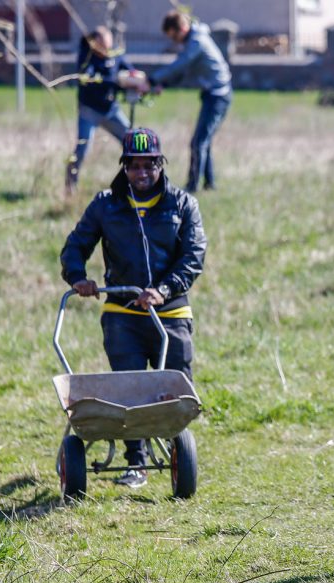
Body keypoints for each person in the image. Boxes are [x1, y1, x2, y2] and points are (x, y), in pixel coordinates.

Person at [60, 127, 207, 488]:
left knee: (173, 388)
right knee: (129, 389)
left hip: (170, 313)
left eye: (150, 165)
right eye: (134, 166)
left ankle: (177, 451)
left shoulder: (182, 204)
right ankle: (136, 463)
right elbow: (74, 247)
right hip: (122, 313)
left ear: (161, 164)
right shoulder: (105, 205)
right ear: (124, 167)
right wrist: (79, 277)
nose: (142, 173)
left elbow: (193, 255)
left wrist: (163, 289)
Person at [148, 10, 232, 194]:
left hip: (219, 95)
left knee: (198, 142)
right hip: (211, 94)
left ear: (183, 28)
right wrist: (165, 82)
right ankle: (210, 184)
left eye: (175, 36)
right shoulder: (193, 39)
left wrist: (153, 79)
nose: (175, 41)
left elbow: (181, 64)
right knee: (204, 141)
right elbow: (184, 72)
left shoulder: (197, 41)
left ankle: (192, 186)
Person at [65, 26, 137, 194]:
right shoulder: (87, 57)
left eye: (108, 46)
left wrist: (138, 81)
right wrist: (115, 82)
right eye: (103, 46)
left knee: (131, 142)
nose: (106, 50)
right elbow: (89, 79)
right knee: (82, 148)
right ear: (94, 43)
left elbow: (130, 71)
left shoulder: (116, 56)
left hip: (111, 111)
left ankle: (134, 183)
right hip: (89, 110)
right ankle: (70, 186)